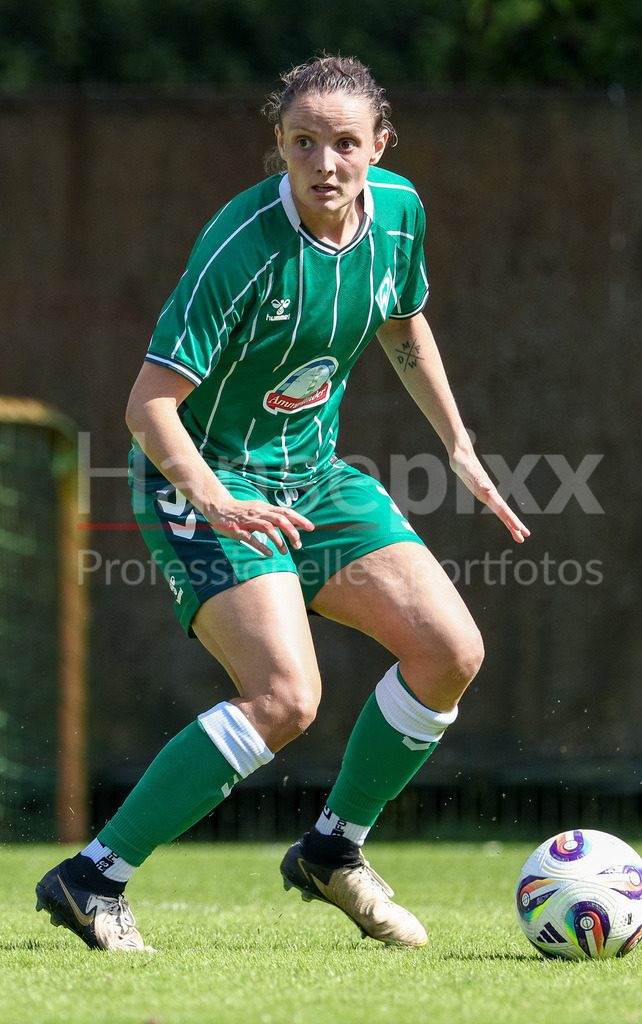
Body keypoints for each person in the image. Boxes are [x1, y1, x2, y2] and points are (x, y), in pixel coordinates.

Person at [36, 55, 529, 952]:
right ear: (280, 146)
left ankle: (331, 851)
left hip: (313, 478)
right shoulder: (243, 243)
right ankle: (91, 877)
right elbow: (147, 404)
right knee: (285, 698)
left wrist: (456, 442)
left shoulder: (400, 214)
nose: (326, 162)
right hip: (203, 478)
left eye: (346, 143)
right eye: (304, 142)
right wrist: (217, 499)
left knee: (450, 652)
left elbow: (402, 317)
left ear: (379, 146)